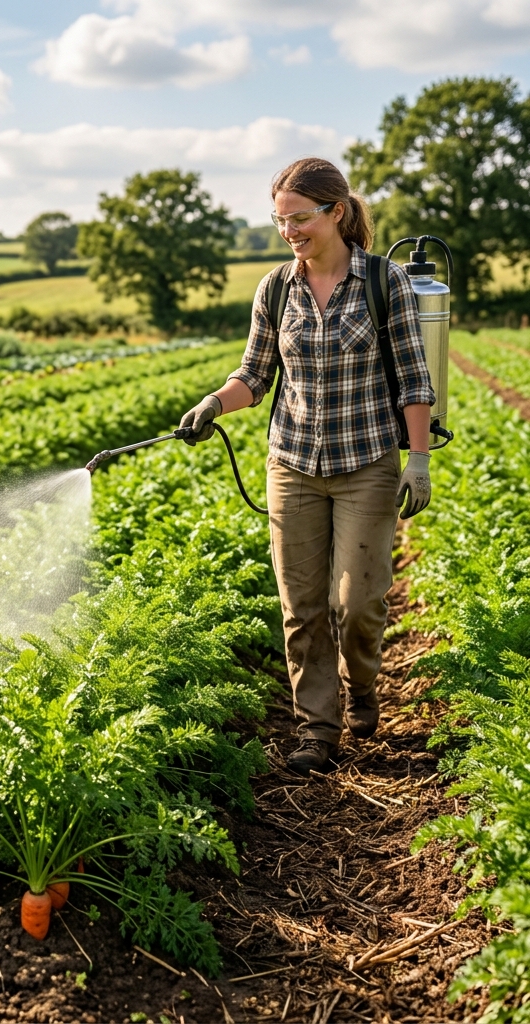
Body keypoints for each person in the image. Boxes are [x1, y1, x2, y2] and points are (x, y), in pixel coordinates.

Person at [180, 157, 435, 776]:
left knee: (359, 604)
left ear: (336, 212)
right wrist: (216, 402)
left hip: (366, 462)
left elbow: (414, 378)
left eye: (299, 219)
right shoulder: (275, 289)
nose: (290, 231)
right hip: (292, 463)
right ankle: (316, 730)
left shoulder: (383, 282)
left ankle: (364, 684)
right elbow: (255, 374)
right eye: (280, 221)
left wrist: (419, 460)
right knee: (301, 606)